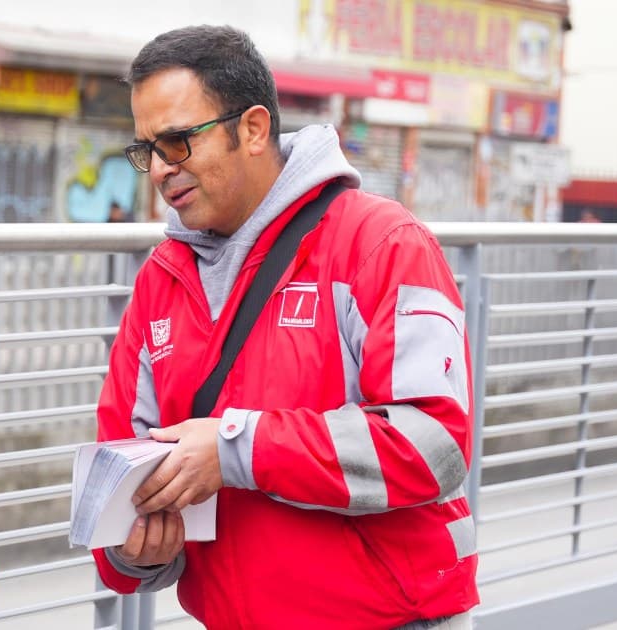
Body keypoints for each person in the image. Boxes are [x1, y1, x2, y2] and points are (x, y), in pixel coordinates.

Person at [93, 26, 477, 629]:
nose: (161, 171)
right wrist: (134, 552)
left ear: (252, 128)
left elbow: (434, 444)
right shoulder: (159, 280)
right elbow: (117, 480)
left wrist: (233, 450)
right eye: (147, 150)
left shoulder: (382, 243)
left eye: (177, 142)